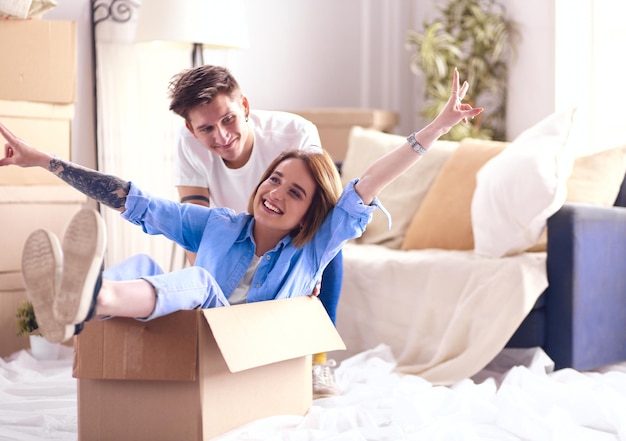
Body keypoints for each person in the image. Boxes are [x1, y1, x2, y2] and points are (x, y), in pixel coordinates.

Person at [1, 68, 481, 387]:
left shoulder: (311, 247)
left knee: (202, 283)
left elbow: (370, 181)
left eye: (294, 193)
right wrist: (44, 160)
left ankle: (92, 299)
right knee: (146, 264)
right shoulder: (219, 224)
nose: (275, 192)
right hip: (193, 327)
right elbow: (135, 200)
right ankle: (78, 302)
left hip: (245, 336)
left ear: (311, 214)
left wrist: (436, 129)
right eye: (274, 180)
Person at [168, 65, 343, 396]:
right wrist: (206, 281)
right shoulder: (186, 145)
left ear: (244, 107)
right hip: (231, 236)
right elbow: (194, 225)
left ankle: (316, 360)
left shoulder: (295, 132)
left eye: (228, 119)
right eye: (206, 128)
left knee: (332, 249)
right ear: (192, 130)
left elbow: (325, 217)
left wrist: (311, 270)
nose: (221, 135)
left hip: (295, 234)